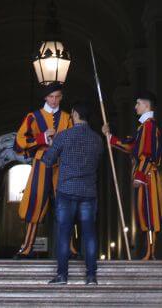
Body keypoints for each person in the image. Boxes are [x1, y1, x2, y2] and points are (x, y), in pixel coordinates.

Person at [41, 101, 103, 285]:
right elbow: (97, 161)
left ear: (74, 114)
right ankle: (91, 276)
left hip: (66, 191)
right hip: (88, 192)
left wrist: (52, 145)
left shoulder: (63, 136)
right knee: (89, 234)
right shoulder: (97, 139)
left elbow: (48, 160)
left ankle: (62, 276)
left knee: (64, 234)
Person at [12, 82, 72, 258]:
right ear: (45, 97)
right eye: (51, 97)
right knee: (35, 204)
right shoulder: (34, 116)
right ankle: (27, 247)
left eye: (57, 97)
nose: (54, 100)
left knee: (65, 204)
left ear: (61, 97)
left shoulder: (68, 118)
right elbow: (19, 140)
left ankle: (70, 247)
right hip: (41, 163)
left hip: (62, 164)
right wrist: (42, 137)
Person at [102, 90, 162, 260]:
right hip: (145, 176)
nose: (135, 107)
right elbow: (133, 147)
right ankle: (149, 251)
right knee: (144, 214)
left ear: (146, 105)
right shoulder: (143, 127)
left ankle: (151, 252)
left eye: (138, 104)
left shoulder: (149, 126)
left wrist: (140, 175)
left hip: (148, 176)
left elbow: (148, 153)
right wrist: (110, 137)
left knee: (150, 216)